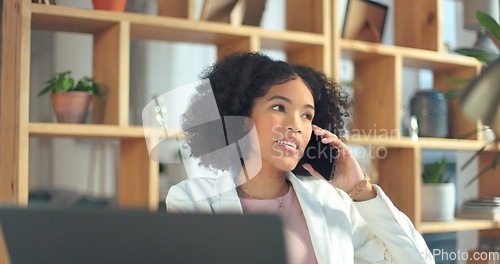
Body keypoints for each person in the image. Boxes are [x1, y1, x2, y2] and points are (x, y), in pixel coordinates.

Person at [166, 52, 434, 264]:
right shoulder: (192, 201)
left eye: (307, 115)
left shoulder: (334, 201)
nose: (296, 126)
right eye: (279, 107)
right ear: (240, 116)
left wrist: (361, 189)